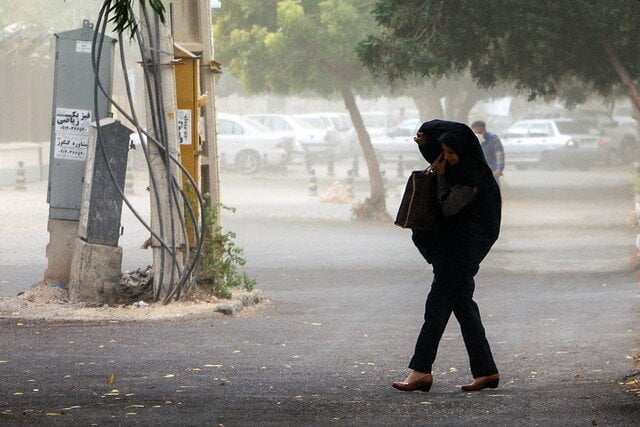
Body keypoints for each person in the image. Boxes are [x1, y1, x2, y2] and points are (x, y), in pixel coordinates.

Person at [392, 119, 501, 393]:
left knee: (436, 309)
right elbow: (438, 148)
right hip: (452, 252)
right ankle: (486, 371)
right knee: (463, 309)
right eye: (445, 153)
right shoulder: (459, 168)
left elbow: (449, 209)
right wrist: (426, 138)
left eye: (452, 153)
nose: (447, 159)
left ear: (464, 151)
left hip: (460, 254)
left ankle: (420, 371)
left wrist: (439, 177)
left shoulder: (471, 179)